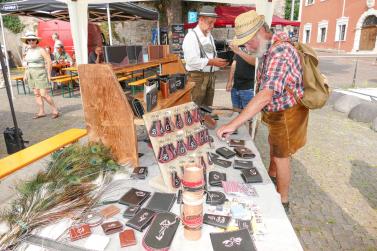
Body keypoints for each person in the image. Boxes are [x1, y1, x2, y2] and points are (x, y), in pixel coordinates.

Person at [216, 11, 308, 213]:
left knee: (282, 155)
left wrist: (233, 124)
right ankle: (271, 176)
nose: (246, 47)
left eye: (248, 42)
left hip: (287, 112)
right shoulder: (268, 49)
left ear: (260, 32)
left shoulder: (280, 52)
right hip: (277, 110)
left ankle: (283, 201)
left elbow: (266, 95)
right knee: (274, 147)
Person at [182, 6, 228, 106]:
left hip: (211, 77)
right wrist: (211, 62)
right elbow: (191, 61)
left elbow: (210, 53)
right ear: (201, 20)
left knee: (207, 106)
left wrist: (218, 63)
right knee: (195, 107)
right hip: (197, 77)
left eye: (213, 23)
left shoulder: (209, 36)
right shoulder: (191, 37)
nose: (212, 26)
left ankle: (205, 120)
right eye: (210, 22)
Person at [21, 31, 59, 119]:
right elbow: (27, 63)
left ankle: (55, 110)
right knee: (37, 94)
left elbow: (49, 61)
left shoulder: (41, 50)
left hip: (40, 73)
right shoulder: (27, 50)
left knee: (43, 94)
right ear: (27, 41)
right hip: (31, 73)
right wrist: (25, 73)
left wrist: (49, 74)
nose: (31, 41)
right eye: (29, 40)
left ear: (36, 40)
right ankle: (41, 112)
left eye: (33, 40)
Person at [226, 44, 256, 112]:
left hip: (249, 88)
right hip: (236, 87)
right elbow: (234, 63)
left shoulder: (257, 46)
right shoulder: (240, 46)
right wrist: (230, 81)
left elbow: (255, 62)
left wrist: (239, 52)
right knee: (238, 111)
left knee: (249, 114)